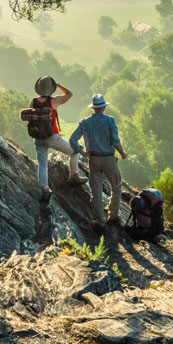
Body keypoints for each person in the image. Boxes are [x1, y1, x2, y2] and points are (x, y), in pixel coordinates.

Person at [69, 93, 127, 231]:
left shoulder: (85, 122)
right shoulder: (110, 120)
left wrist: (81, 151)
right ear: (104, 107)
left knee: (96, 191)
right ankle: (113, 215)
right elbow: (115, 140)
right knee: (117, 186)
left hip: (93, 159)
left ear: (93, 108)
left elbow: (72, 139)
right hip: (108, 158)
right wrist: (122, 152)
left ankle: (100, 221)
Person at [32, 76, 82, 202]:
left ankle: (44, 189)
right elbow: (69, 94)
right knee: (74, 151)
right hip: (52, 136)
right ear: (51, 89)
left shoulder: (33, 102)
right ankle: (74, 176)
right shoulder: (54, 101)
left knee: (42, 165)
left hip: (38, 137)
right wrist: (58, 85)